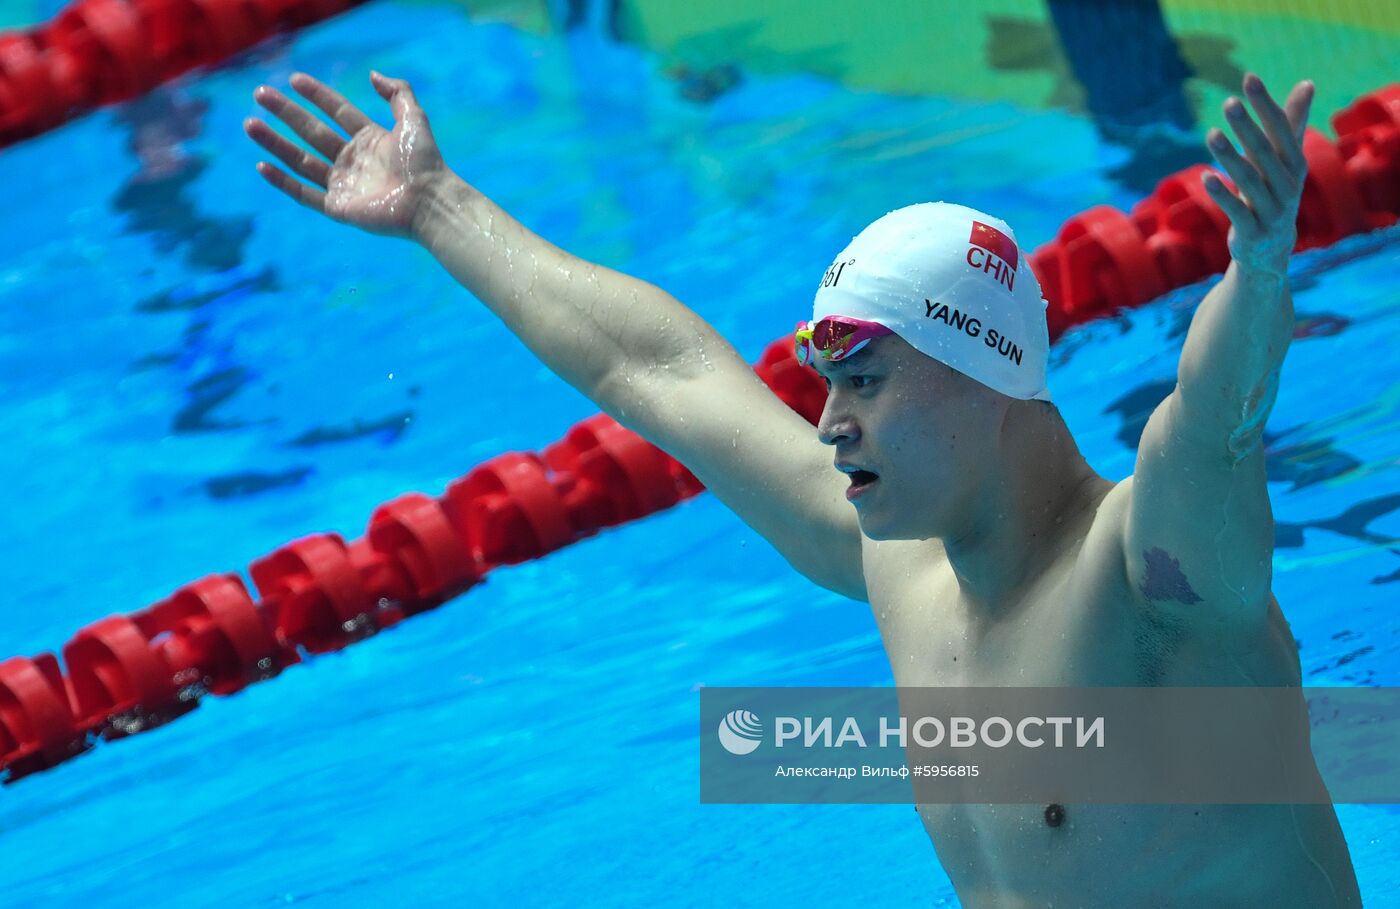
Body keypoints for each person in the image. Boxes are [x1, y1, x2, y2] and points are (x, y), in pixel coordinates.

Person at [243, 69, 1362, 907]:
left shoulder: (1152, 583)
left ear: (985, 379)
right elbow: (656, 370)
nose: (827, 423)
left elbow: (1208, 430)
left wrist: (1254, 274)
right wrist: (437, 207)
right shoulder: (898, 571)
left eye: (864, 382)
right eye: (828, 385)